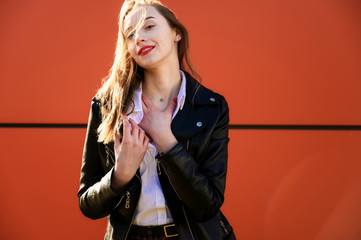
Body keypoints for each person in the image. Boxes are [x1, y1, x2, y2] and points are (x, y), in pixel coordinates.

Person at [78, 0, 236, 239]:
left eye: (149, 26)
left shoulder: (210, 107)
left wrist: (166, 141)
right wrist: (120, 175)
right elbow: (88, 204)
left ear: (176, 33)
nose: (139, 37)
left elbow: (207, 205)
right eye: (129, 34)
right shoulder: (107, 106)